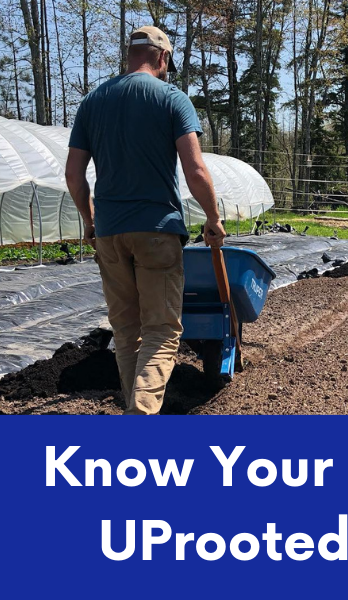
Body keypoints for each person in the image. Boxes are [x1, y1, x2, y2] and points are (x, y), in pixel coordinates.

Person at [65, 25, 227, 415]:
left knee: (126, 332)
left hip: (109, 232)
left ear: (129, 56)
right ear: (163, 58)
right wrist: (213, 218)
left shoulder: (93, 101)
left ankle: (134, 412)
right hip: (157, 231)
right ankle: (141, 418)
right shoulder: (172, 98)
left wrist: (89, 221)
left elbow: (74, 174)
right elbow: (196, 171)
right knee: (162, 330)